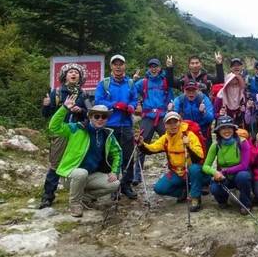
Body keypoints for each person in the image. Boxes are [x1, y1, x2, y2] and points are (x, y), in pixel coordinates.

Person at [48, 97, 121, 217]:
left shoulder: (108, 134)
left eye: (104, 117)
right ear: (90, 117)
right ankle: (75, 204)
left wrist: (114, 171)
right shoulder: (76, 128)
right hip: (70, 174)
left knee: (115, 183)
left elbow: (117, 152)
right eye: (96, 116)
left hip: (91, 175)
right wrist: (64, 108)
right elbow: (54, 127)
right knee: (81, 173)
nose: (100, 119)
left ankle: (84, 198)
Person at [39, 63, 89, 209]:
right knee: (55, 164)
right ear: (65, 76)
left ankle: (81, 195)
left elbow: (91, 114)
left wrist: (81, 111)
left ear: (80, 76)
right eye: (70, 72)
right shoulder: (57, 93)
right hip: (61, 133)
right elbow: (46, 115)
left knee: (80, 163)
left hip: (78, 133)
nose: (73, 74)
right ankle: (47, 196)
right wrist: (46, 105)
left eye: (76, 72)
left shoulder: (84, 94)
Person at [139, 112, 209, 211]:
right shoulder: (165, 138)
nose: (173, 125)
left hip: (191, 171)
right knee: (159, 188)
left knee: (194, 168)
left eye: (175, 122)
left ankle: (195, 197)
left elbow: (199, 157)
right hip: (177, 172)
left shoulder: (189, 135)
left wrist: (188, 146)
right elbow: (151, 149)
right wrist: (141, 144)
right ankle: (184, 192)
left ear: (180, 122)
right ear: (165, 125)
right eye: (169, 123)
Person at [94, 54, 138, 200]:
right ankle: (113, 186)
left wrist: (131, 106)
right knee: (111, 156)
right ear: (111, 66)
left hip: (126, 124)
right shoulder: (104, 83)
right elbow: (98, 100)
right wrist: (114, 105)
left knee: (128, 155)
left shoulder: (130, 83)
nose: (118, 67)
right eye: (115, 64)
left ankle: (126, 185)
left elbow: (134, 99)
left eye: (121, 64)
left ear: (125, 66)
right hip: (109, 125)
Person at [133, 58, 173, 186]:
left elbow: (171, 97)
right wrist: (137, 103)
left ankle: (174, 170)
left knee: (170, 143)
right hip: (148, 116)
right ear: (149, 68)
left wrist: (171, 107)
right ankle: (137, 174)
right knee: (141, 144)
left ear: (160, 68)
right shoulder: (143, 82)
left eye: (156, 66)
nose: (153, 69)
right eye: (151, 66)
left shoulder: (165, 81)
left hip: (162, 117)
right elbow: (132, 91)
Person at [202, 116, 253, 213]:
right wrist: (214, 172)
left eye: (229, 127)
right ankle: (222, 200)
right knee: (214, 188)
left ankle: (246, 203)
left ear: (234, 129)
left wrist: (225, 171)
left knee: (244, 176)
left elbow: (244, 165)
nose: (226, 131)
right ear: (218, 131)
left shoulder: (243, 142)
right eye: (223, 128)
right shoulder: (215, 145)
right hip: (223, 176)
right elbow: (205, 166)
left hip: (238, 173)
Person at [173, 81, 214, 147]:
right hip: (186, 130)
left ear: (197, 90)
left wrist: (203, 112)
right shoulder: (179, 100)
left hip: (202, 130)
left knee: (205, 151)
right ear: (184, 91)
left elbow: (211, 118)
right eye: (188, 90)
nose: (191, 93)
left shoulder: (204, 99)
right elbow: (172, 116)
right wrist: (170, 111)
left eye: (193, 90)